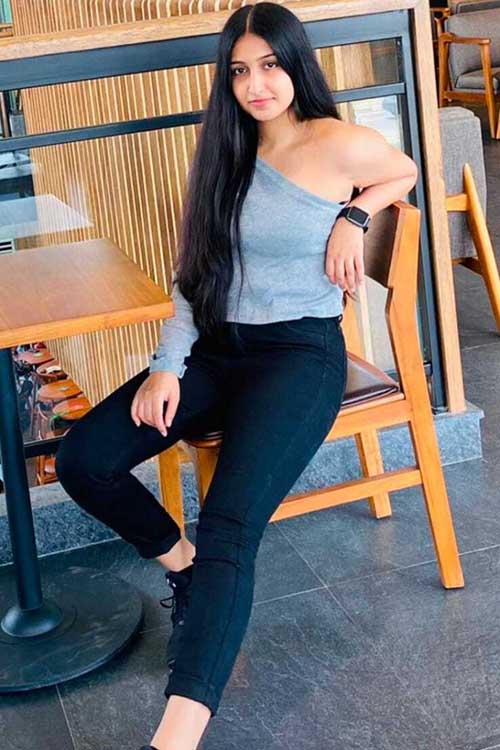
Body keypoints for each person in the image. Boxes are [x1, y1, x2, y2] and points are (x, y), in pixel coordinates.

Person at [54, 3, 418, 749]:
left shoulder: (336, 142)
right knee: (83, 459)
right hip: (216, 350)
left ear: (296, 64)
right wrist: (166, 368)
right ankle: (184, 568)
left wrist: (356, 215)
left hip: (298, 355)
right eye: (241, 71)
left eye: (271, 65)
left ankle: (175, 736)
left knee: (230, 524)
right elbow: (195, 274)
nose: (257, 85)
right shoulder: (224, 150)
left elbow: (405, 169)